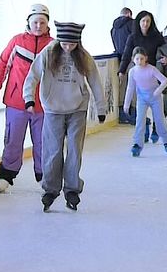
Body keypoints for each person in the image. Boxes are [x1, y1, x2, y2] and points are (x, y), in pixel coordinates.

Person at [24, 21, 106, 212]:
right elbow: (32, 76)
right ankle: (50, 189)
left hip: (77, 108)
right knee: (52, 151)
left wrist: (101, 109)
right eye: (64, 43)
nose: (68, 47)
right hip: (53, 109)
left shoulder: (84, 57)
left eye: (72, 44)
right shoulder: (47, 53)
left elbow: (95, 81)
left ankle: (72, 189)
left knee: (75, 151)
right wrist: (29, 98)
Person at [0, 3, 54, 192]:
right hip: (16, 102)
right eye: (35, 22)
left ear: (47, 24)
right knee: (13, 140)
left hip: (43, 105)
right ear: (28, 22)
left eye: (42, 22)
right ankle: (6, 176)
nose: (38, 26)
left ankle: (45, 176)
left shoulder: (53, 45)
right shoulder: (17, 41)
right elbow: (2, 65)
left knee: (43, 142)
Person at [119, 10, 165, 129]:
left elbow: (165, 50)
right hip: (139, 73)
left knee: (156, 103)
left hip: (153, 72)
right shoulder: (132, 37)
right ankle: (142, 125)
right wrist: (121, 70)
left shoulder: (157, 36)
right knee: (139, 100)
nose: (145, 24)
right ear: (139, 22)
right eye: (143, 21)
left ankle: (156, 126)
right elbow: (126, 54)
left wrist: (166, 58)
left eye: (148, 21)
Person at [124, 47, 167, 156]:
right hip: (142, 98)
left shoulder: (152, 69)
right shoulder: (132, 72)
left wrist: (157, 92)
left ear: (146, 58)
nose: (139, 61)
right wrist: (126, 104)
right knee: (139, 121)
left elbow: (165, 81)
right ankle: (137, 144)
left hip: (155, 98)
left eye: (141, 59)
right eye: (137, 59)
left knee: (159, 120)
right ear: (133, 59)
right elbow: (130, 88)